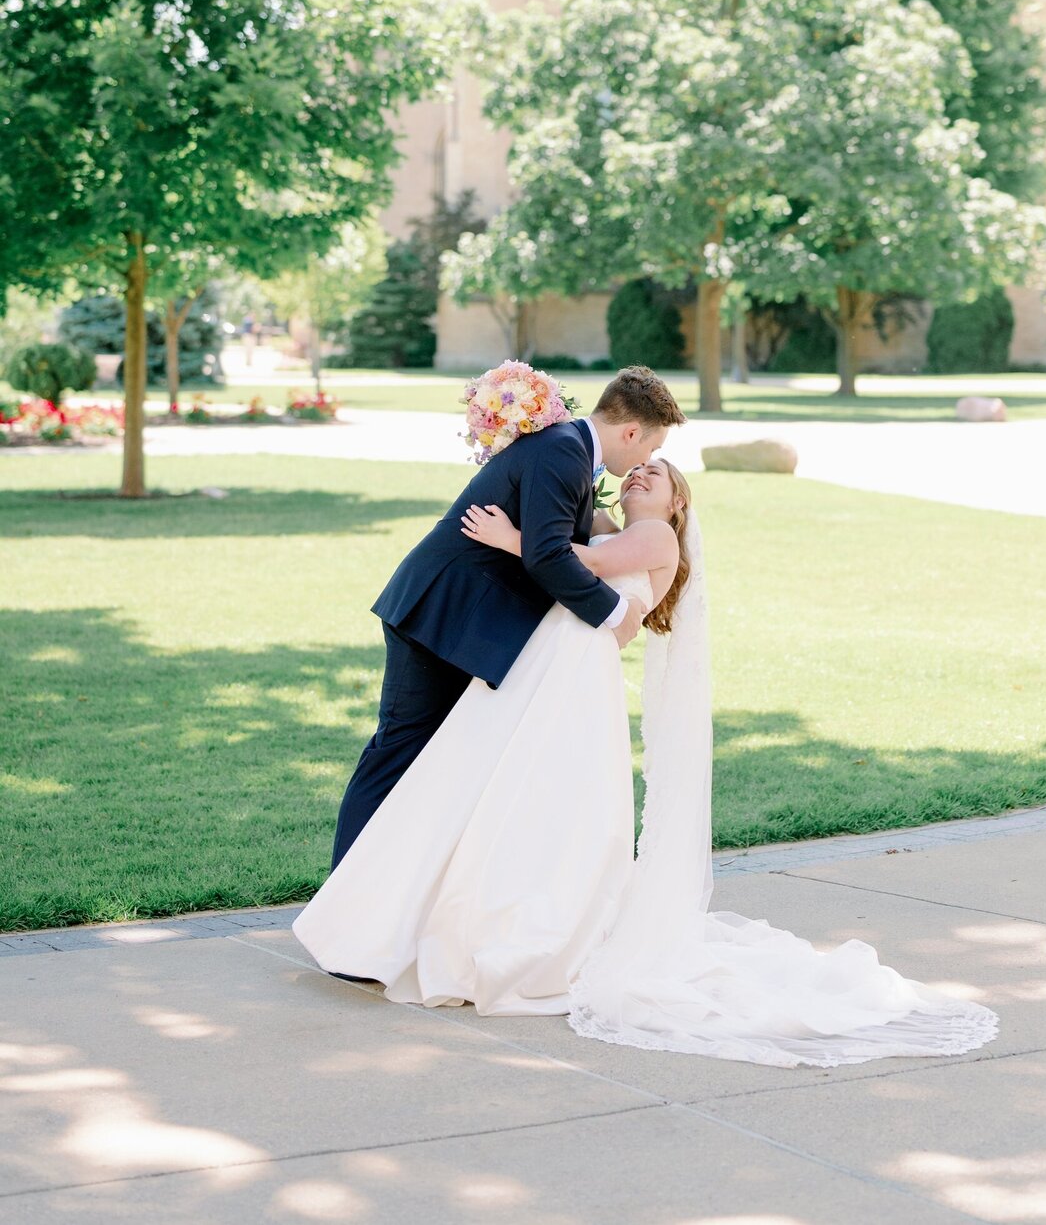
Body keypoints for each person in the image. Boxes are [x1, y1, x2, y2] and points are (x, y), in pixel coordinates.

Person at [295, 444, 998, 1068]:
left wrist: (514, 540)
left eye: (657, 474)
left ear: (677, 503)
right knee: (492, 790)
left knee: (525, 794)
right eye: (639, 470)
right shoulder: (625, 526)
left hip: (569, 680)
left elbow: (580, 562)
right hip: (549, 670)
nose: (642, 477)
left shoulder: (656, 537)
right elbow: (572, 537)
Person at [327, 366, 686, 869]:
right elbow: (547, 555)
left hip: (466, 621)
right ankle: (346, 892)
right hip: (443, 614)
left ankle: (401, 886)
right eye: (649, 449)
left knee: (441, 758)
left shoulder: (569, 452)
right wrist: (617, 615)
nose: (645, 461)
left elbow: (563, 547)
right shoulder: (564, 449)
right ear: (630, 432)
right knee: (399, 752)